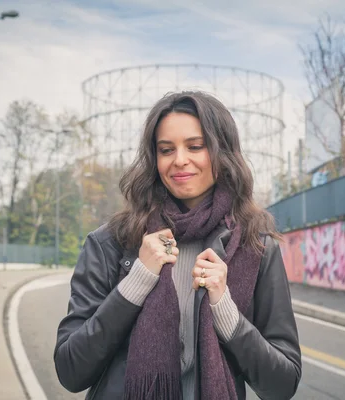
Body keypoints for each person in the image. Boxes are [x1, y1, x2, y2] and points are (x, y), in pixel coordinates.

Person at [53, 91, 302, 400]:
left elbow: (282, 384)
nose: (179, 160)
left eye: (195, 146)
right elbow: (71, 369)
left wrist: (224, 309)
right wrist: (138, 280)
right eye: (166, 149)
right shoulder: (111, 242)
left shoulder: (257, 246)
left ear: (222, 152)